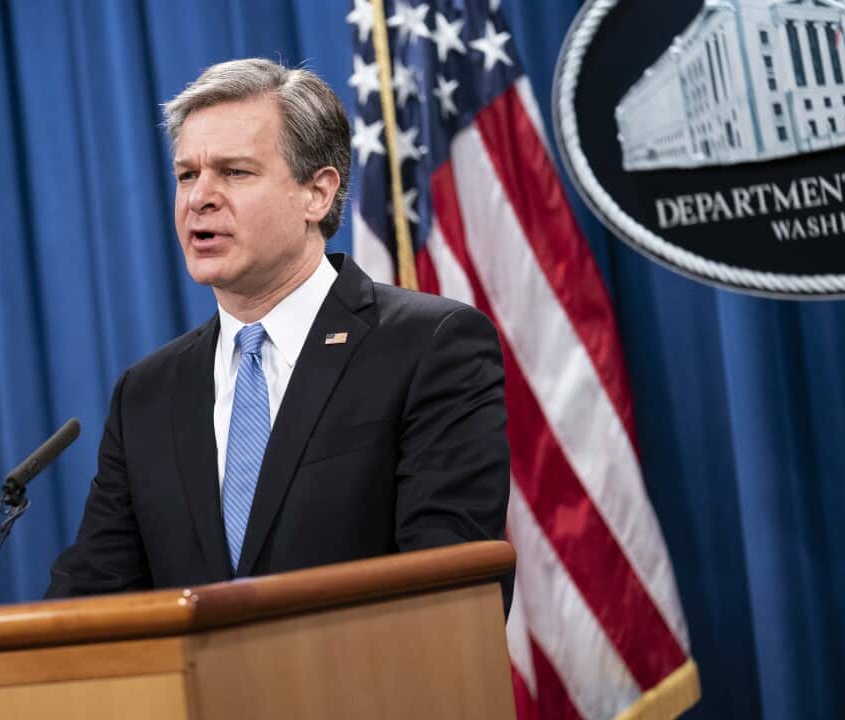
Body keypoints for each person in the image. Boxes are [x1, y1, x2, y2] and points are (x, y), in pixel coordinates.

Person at [45, 58, 507, 597]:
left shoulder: (429, 347)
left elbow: (450, 592)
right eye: (187, 175)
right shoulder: (148, 393)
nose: (199, 197)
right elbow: (91, 602)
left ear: (317, 193)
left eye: (234, 172)